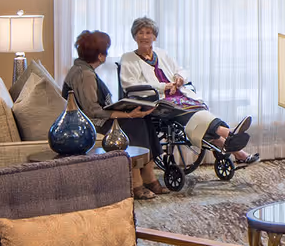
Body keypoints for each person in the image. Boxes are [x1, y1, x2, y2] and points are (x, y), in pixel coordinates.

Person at [116, 16, 258, 167]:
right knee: (194, 115)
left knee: (201, 114)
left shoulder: (162, 54)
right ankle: (231, 136)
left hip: (179, 96)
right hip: (157, 101)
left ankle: (235, 147)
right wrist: (163, 86)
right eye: (140, 33)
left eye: (148, 32)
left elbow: (181, 70)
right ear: (134, 36)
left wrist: (179, 77)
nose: (144, 36)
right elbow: (129, 84)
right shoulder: (128, 58)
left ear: (154, 36)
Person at [64, 30, 165, 199]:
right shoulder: (85, 74)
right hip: (89, 123)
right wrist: (127, 115)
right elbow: (92, 110)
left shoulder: (83, 69)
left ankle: (148, 173)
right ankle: (136, 181)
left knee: (145, 120)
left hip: (95, 118)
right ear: (101, 56)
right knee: (134, 123)